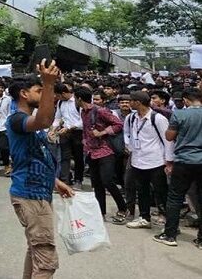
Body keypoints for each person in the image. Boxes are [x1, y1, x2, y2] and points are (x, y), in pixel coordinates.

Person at [6, 61, 74, 279]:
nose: (47, 95)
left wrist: (55, 182)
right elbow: (44, 120)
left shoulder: (31, 123)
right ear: (24, 94)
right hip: (30, 196)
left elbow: (35, 157)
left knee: (36, 250)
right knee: (46, 260)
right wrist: (48, 83)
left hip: (39, 193)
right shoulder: (17, 120)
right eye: (39, 91)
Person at [155, 87, 202, 248]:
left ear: (186, 100)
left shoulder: (180, 114)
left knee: (175, 198)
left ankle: (170, 235)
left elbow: (169, 136)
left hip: (184, 160)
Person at [76, 87, 128, 223]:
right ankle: (101, 212)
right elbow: (85, 129)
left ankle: (123, 208)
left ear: (79, 98)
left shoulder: (100, 110)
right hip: (91, 151)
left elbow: (118, 124)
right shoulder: (83, 112)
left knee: (107, 181)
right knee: (97, 183)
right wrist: (85, 140)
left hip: (106, 151)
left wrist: (102, 132)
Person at [122, 91, 171, 229]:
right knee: (142, 190)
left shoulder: (158, 119)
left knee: (160, 191)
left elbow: (168, 141)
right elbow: (127, 133)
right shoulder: (131, 118)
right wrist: (129, 145)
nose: (128, 103)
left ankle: (166, 219)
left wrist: (169, 161)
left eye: (131, 101)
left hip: (156, 161)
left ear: (138, 102)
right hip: (138, 160)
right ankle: (144, 217)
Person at [54, 83, 85, 189]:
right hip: (64, 133)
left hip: (78, 133)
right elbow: (58, 118)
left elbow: (83, 121)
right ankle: (65, 180)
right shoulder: (60, 103)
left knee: (78, 158)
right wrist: (53, 129)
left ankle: (78, 180)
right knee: (64, 157)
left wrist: (70, 127)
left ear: (63, 93)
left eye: (58, 95)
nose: (57, 98)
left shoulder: (77, 101)